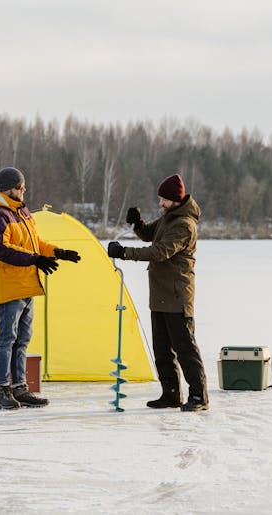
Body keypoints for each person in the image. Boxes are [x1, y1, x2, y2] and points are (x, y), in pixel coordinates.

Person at [0, 166, 81, 410]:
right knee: (7, 339)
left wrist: (58, 252)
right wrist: (35, 259)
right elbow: (0, 250)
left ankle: (20, 388)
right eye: (20, 187)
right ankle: (4, 390)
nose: (24, 191)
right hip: (8, 286)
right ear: (10, 189)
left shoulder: (21, 211)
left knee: (23, 339)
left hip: (27, 285)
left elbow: (35, 243)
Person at [107, 173, 207, 411]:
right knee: (162, 351)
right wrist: (138, 224)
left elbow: (160, 251)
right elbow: (149, 234)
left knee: (185, 349)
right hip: (160, 296)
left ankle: (198, 397)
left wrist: (124, 252)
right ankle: (170, 394)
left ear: (175, 199)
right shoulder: (168, 218)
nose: (160, 203)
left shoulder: (184, 225)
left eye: (164, 199)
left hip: (177, 296)